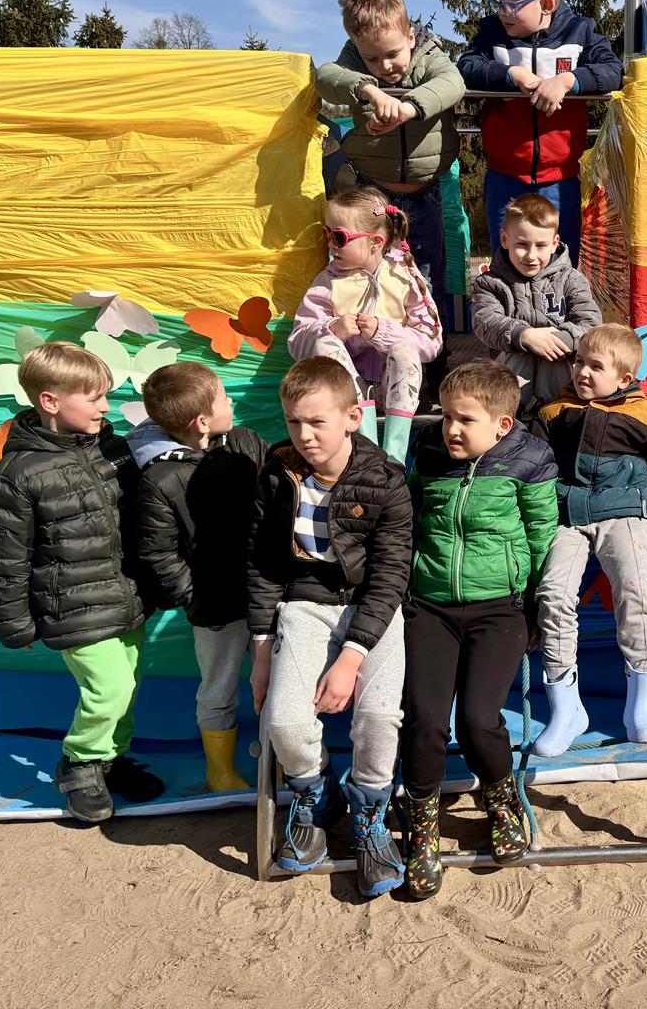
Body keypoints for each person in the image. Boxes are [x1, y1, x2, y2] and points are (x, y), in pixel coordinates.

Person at [248, 358, 412, 899]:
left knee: (379, 716)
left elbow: (390, 575)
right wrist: (261, 649)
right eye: (294, 422)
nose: (305, 435)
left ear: (352, 417)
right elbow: (263, 564)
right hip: (305, 604)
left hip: (372, 609)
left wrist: (351, 657)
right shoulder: (278, 474)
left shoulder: (385, 479)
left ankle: (370, 814)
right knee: (284, 719)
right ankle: (316, 796)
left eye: (317, 422)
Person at [0, 341, 161, 823]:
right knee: (109, 688)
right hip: (71, 606)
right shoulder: (19, 473)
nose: (105, 406)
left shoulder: (110, 448)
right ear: (50, 401)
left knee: (128, 686)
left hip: (125, 595)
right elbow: (5, 555)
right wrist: (13, 622)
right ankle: (80, 763)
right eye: (94, 397)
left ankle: (110, 759)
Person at [400, 362, 560, 900]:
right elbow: (409, 520)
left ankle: (500, 801)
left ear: (501, 424)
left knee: (477, 718)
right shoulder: (428, 453)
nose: (451, 429)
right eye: (446, 416)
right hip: (430, 606)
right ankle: (423, 827)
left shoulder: (530, 461)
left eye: (465, 420)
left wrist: (533, 606)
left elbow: (542, 536)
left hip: (499, 610)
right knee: (424, 718)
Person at [531, 324, 647, 755]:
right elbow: (533, 467)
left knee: (636, 593)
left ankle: (640, 704)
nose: (582, 372)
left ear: (624, 378)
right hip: (567, 516)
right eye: (579, 361)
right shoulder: (553, 412)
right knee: (552, 596)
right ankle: (566, 708)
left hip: (624, 515)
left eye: (595, 366)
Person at [128, 362, 269, 792]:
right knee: (218, 688)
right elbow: (158, 553)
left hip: (268, 595)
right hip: (216, 609)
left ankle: (279, 762)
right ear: (202, 422)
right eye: (224, 397)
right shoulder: (159, 478)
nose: (232, 401)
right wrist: (194, 596)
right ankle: (220, 770)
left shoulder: (245, 442)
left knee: (278, 682)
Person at [315, 0, 463, 368]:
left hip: (422, 195)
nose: (385, 66)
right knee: (368, 274)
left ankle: (432, 365)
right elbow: (325, 77)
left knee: (424, 279)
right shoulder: (355, 61)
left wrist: (410, 107)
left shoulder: (428, 55)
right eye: (372, 58)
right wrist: (370, 90)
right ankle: (371, 362)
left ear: (411, 36)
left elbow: (452, 83)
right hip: (373, 193)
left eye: (393, 54)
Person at [457, 0, 623, 265]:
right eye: (499, 2)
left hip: (561, 180)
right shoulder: (491, 33)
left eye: (512, 3)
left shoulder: (580, 31)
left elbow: (612, 71)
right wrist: (511, 74)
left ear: (546, 3)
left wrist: (567, 81)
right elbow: (467, 67)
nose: (503, 11)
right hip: (504, 177)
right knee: (506, 260)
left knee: (561, 262)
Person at [289, 186, 443, 463]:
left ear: (376, 241)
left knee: (403, 350)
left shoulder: (404, 275)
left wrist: (384, 333)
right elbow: (296, 341)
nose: (330, 244)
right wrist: (332, 329)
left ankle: (394, 457)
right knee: (324, 344)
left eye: (339, 237)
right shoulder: (329, 281)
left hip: (396, 389)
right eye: (327, 234)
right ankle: (367, 448)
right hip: (348, 392)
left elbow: (432, 342)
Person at [470, 193, 602, 418]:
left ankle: (562, 417)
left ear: (554, 244)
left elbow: (590, 323)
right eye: (522, 244)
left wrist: (557, 341)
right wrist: (525, 336)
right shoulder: (490, 283)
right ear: (505, 239)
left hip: (560, 372)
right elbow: (486, 322)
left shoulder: (571, 279)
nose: (531, 256)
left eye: (541, 245)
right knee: (516, 356)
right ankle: (512, 419)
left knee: (566, 359)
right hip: (513, 374)